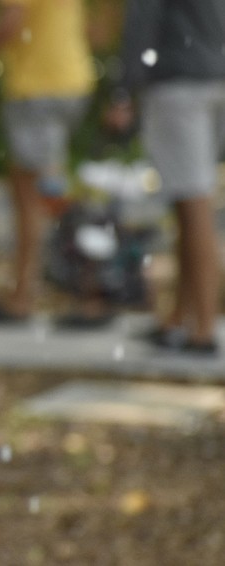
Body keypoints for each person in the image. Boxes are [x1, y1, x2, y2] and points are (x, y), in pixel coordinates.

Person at [0, 0, 98, 325]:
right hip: (70, 78)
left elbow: (11, 21)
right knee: (34, 188)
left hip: (38, 89)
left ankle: (88, 286)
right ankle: (28, 291)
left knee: (42, 193)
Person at [105, 0, 225, 354]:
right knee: (188, 204)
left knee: (194, 206)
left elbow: (142, 22)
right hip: (214, 78)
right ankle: (179, 317)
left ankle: (202, 329)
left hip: (178, 85)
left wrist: (123, 92)